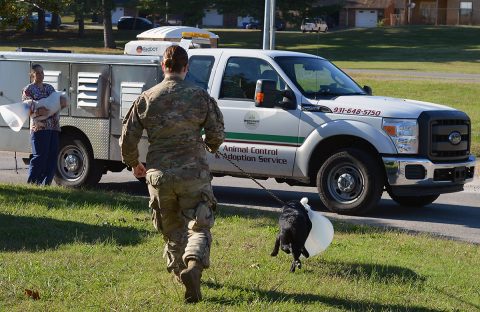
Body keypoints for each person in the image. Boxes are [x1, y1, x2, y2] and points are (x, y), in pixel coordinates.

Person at [119, 45, 225, 303]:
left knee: (172, 230)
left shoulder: (147, 98)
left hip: (159, 176)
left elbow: (127, 139)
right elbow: (217, 133)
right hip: (193, 174)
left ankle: (181, 275)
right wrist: (210, 144)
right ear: (185, 68)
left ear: (163, 67)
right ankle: (194, 268)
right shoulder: (200, 97)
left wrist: (134, 164)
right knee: (199, 225)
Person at [22, 64, 67, 186]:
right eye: (38, 73)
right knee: (40, 156)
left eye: (42, 72)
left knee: (52, 156)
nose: (41, 75)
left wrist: (62, 103)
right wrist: (37, 111)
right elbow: (26, 108)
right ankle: (32, 182)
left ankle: (45, 183)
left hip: (53, 127)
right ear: (32, 75)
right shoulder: (28, 90)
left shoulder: (49, 88)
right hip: (39, 127)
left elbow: (56, 102)